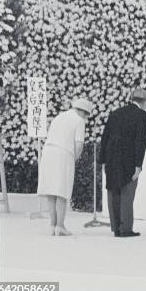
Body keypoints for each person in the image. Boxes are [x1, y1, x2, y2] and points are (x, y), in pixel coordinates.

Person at [99, 88, 146, 237]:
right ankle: (125, 228)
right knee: (127, 194)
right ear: (145, 102)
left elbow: (105, 138)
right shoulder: (142, 116)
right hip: (129, 160)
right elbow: (140, 142)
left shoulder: (115, 113)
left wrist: (103, 160)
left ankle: (116, 227)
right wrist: (138, 165)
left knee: (113, 192)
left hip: (111, 158)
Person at [37, 98, 93, 235]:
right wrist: (74, 158)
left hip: (48, 152)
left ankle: (52, 225)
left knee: (51, 190)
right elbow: (79, 145)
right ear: (83, 112)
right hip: (63, 153)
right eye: (87, 115)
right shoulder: (79, 121)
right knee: (62, 190)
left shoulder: (59, 117)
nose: (86, 118)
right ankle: (60, 226)